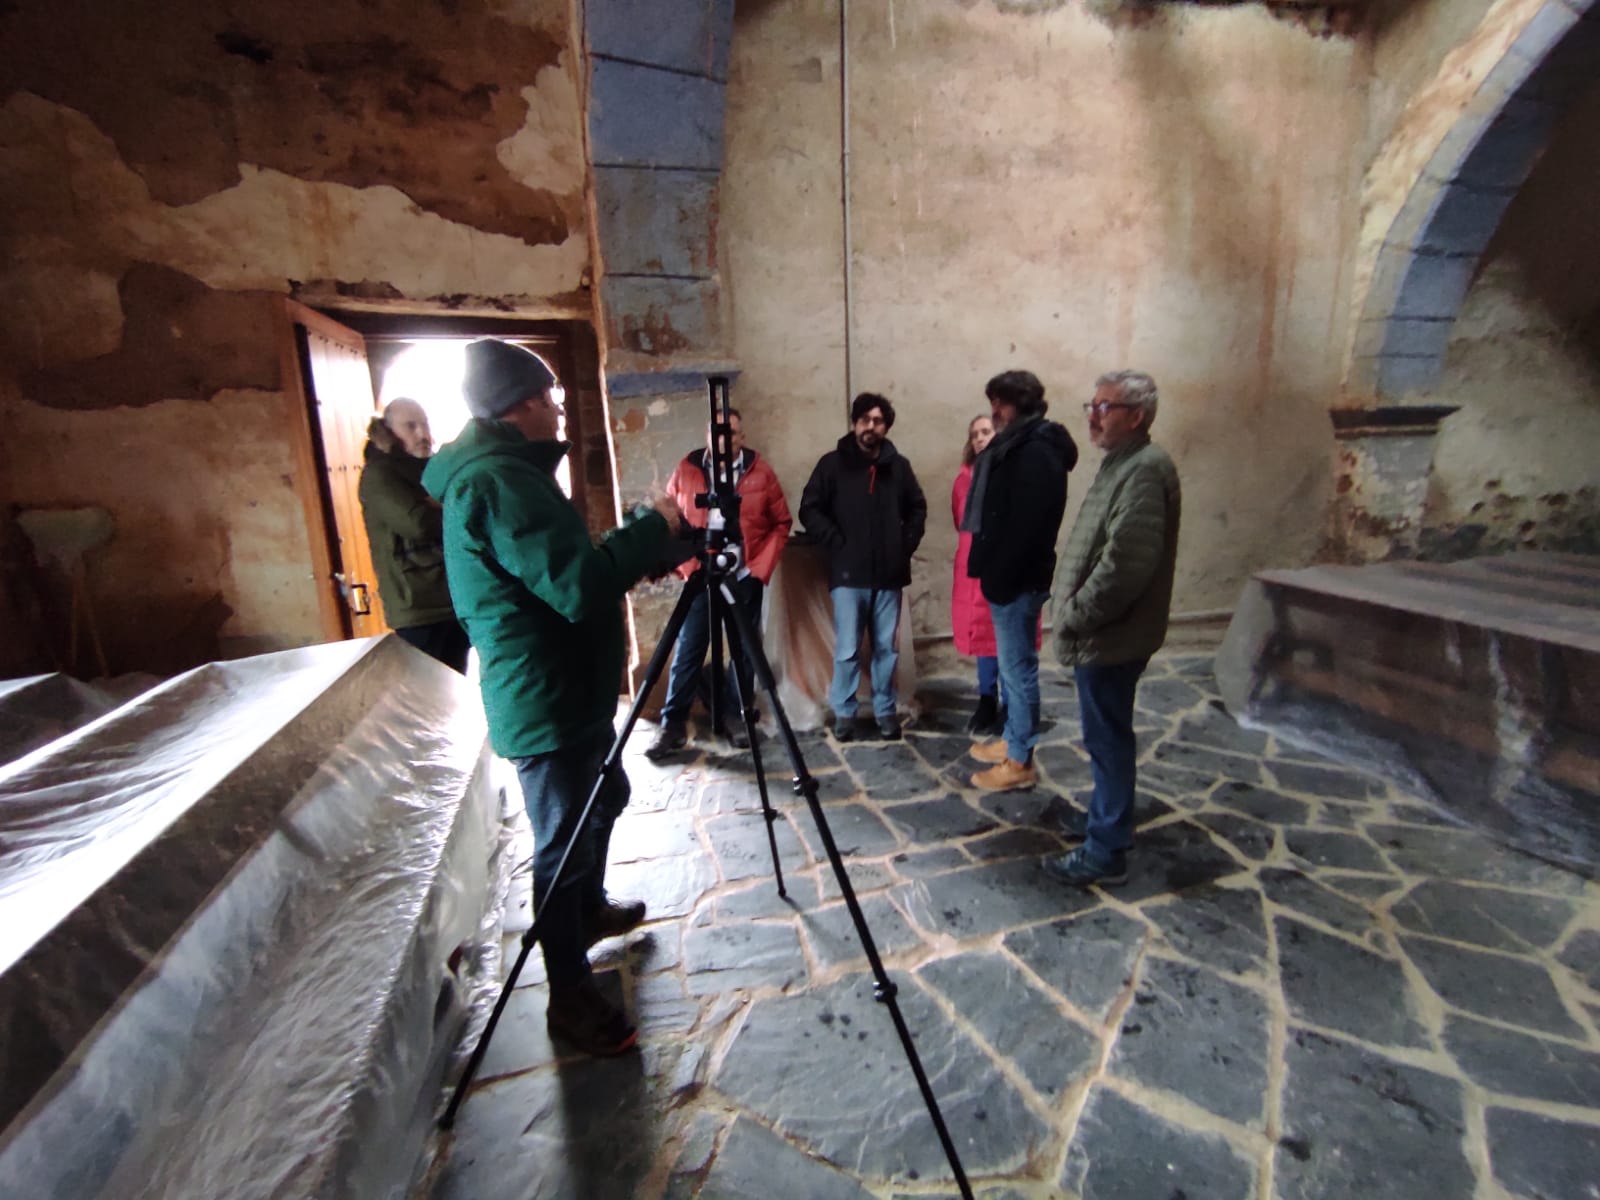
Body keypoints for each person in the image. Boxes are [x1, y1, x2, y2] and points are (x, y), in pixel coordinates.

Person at [422, 338, 679, 1055]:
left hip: (566, 690)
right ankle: (569, 998)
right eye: (553, 401)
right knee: (561, 846)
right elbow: (576, 585)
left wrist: (631, 551)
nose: (559, 413)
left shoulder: (504, 475)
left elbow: (562, 570)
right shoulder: (498, 482)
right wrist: (651, 527)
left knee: (606, 798)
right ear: (521, 405)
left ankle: (588, 913)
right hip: (545, 698)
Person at [1042, 370, 1181, 888]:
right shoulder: (1122, 464)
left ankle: (1106, 849)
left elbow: (1124, 564)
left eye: (1105, 407)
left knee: (1108, 738)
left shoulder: (1144, 469)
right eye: (1092, 405)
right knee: (1105, 736)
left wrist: (1075, 615)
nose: (1092, 415)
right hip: (1105, 632)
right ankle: (1107, 819)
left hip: (1111, 635)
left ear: (1137, 416)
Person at [646, 409, 793, 759]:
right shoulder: (687, 469)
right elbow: (670, 520)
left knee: (744, 651)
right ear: (707, 435)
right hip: (701, 574)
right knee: (689, 647)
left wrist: (759, 569)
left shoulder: (760, 472)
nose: (725, 440)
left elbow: (781, 522)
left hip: (744, 576)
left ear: (743, 437)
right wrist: (686, 565)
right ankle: (673, 724)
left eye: (733, 433)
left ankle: (738, 717)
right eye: (718, 433)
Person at [965, 370, 1079, 792]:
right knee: (1014, 668)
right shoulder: (1018, 444)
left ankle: (1019, 761)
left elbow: (1028, 525)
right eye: (993, 401)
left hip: (1018, 578)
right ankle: (1015, 740)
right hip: (1009, 576)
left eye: (1002, 402)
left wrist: (1001, 577)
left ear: (1024, 403)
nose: (995, 411)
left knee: (1018, 670)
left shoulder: (1037, 451)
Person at [799, 392, 927, 741]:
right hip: (848, 575)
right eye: (865, 420)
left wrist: (904, 545)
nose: (871, 427)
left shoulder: (898, 467)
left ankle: (886, 711)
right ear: (855, 423)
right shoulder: (831, 465)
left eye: (879, 421)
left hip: (889, 575)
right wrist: (837, 543)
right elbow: (809, 509)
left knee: (887, 648)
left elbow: (917, 507)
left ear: (886, 426)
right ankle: (845, 711)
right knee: (848, 649)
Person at [357, 397, 470, 672]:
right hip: (418, 608)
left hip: (451, 600)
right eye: (410, 426)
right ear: (389, 431)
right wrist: (450, 503)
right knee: (430, 698)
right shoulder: (380, 476)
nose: (423, 434)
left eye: (424, 425)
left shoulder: (429, 469)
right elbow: (419, 524)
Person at [951, 414, 1005, 735]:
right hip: (975, 569)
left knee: (1008, 641)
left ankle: (1013, 707)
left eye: (986, 432)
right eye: (975, 434)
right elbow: (960, 520)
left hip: (1004, 566)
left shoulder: (1011, 474)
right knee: (984, 639)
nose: (980, 439)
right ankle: (987, 699)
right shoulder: (963, 480)